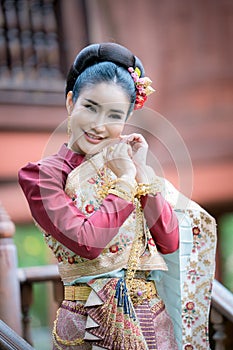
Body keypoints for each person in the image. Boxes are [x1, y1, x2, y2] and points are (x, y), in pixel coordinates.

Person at [18, 43, 216, 350]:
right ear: (71, 102)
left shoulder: (126, 163)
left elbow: (169, 240)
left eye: (114, 115)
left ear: (126, 119)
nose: (99, 125)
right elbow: (88, 242)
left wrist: (140, 172)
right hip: (89, 323)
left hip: (153, 320)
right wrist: (125, 182)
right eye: (90, 107)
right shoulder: (42, 175)